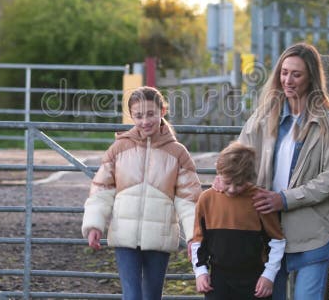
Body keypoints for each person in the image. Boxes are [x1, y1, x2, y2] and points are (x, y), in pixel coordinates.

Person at [237, 42, 329, 300]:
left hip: (312, 233)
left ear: (311, 77)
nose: (288, 80)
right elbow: (240, 154)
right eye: (284, 72)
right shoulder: (264, 117)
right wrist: (226, 176)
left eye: (296, 74)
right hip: (267, 232)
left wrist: (285, 199)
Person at [81, 86, 202, 300]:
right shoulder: (119, 148)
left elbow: (188, 199)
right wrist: (94, 224)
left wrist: (194, 237)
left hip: (159, 237)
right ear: (131, 116)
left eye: (150, 114)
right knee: (132, 296)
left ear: (162, 112)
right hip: (124, 235)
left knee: (152, 296)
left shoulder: (178, 153)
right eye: (138, 115)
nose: (145, 121)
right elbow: (102, 189)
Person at [190, 141, 286, 299]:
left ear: (249, 178)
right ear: (218, 173)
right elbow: (198, 240)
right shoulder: (206, 199)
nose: (233, 189)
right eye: (227, 183)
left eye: (240, 184)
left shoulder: (260, 199)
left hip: (254, 280)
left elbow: (276, 241)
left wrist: (268, 275)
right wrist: (200, 271)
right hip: (218, 279)